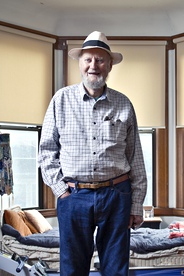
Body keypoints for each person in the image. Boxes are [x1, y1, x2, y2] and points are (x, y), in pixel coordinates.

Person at [38, 31, 147, 276]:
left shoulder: (124, 104)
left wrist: (136, 204)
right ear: (80, 63)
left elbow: (135, 158)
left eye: (100, 60)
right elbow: (46, 151)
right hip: (73, 196)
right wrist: (61, 190)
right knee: (72, 269)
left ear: (109, 66)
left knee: (116, 269)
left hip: (117, 195)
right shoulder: (61, 100)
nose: (93, 66)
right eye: (88, 59)